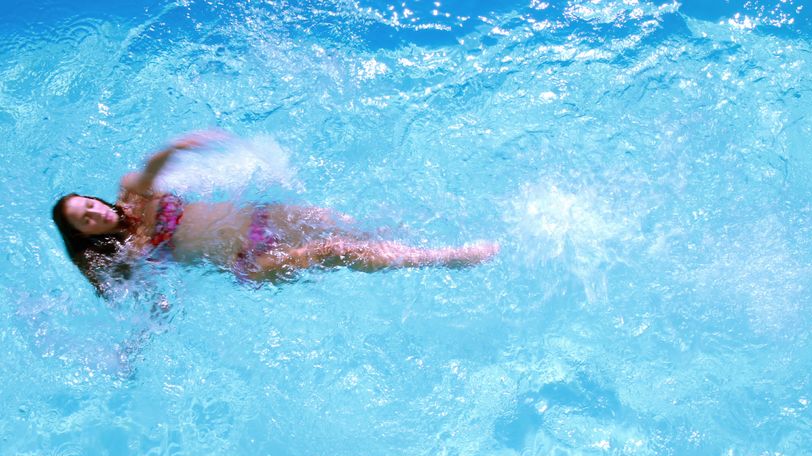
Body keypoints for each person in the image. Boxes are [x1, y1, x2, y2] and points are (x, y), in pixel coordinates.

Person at [52, 131, 500, 295]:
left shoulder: (134, 195)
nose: (94, 213)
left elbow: (149, 169)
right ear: (86, 234)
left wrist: (175, 148)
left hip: (260, 219)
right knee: (334, 249)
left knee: (345, 223)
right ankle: (445, 257)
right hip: (247, 262)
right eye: (84, 221)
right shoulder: (125, 251)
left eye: (88, 204)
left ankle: (415, 236)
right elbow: (134, 295)